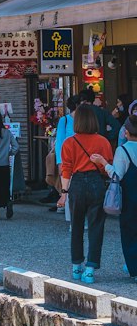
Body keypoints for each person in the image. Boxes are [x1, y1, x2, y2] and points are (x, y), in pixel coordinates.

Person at [60, 101, 114, 283]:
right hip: (96, 182)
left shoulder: (69, 142)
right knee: (96, 225)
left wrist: (63, 192)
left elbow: (66, 169)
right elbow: (108, 166)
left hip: (77, 184)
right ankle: (90, 269)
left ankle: (76, 266)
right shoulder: (103, 142)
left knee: (76, 225)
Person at [112, 114, 137, 277]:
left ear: (126, 132)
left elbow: (116, 175)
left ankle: (134, 268)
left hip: (130, 198)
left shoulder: (123, 150)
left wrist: (103, 164)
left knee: (129, 232)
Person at [81, 86, 120, 150]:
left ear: (84, 100)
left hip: (84, 145)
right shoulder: (102, 111)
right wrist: (106, 136)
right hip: (101, 144)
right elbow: (117, 126)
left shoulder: (81, 112)